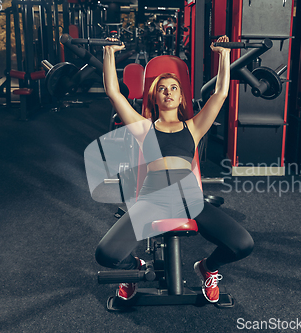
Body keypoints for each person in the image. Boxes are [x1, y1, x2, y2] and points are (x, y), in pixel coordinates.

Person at [97, 35, 254, 303]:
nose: (168, 92)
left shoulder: (193, 127)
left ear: (182, 97)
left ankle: (208, 268)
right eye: (162, 88)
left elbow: (221, 93)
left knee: (243, 244)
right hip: (153, 199)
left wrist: (224, 54)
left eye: (173, 88)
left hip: (190, 200)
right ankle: (133, 269)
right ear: (154, 97)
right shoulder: (143, 127)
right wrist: (109, 52)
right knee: (106, 254)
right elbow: (114, 92)